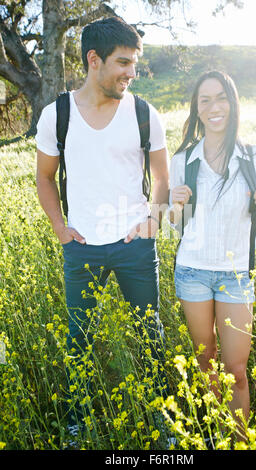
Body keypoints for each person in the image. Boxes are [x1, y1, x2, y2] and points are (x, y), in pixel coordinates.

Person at [35, 17, 171, 445]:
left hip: (135, 247)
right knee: (77, 341)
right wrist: (61, 229)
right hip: (82, 249)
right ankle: (75, 422)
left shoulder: (145, 112)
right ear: (94, 60)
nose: (132, 73)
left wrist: (152, 221)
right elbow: (44, 177)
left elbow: (162, 177)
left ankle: (162, 420)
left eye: (134, 64)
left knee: (150, 337)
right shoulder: (56, 114)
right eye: (124, 63)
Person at [167, 70, 256, 439]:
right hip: (193, 273)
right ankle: (217, 433)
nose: (214, 107)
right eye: (205, 100)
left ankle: (239, 441)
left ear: (232, 103)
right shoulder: (183, 158)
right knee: (205, 361)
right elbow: (174, 223)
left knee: (237, 369)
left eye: (221, 98)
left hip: (235, 275)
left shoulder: (253, 156)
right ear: (197, 109)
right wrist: (176, 205)